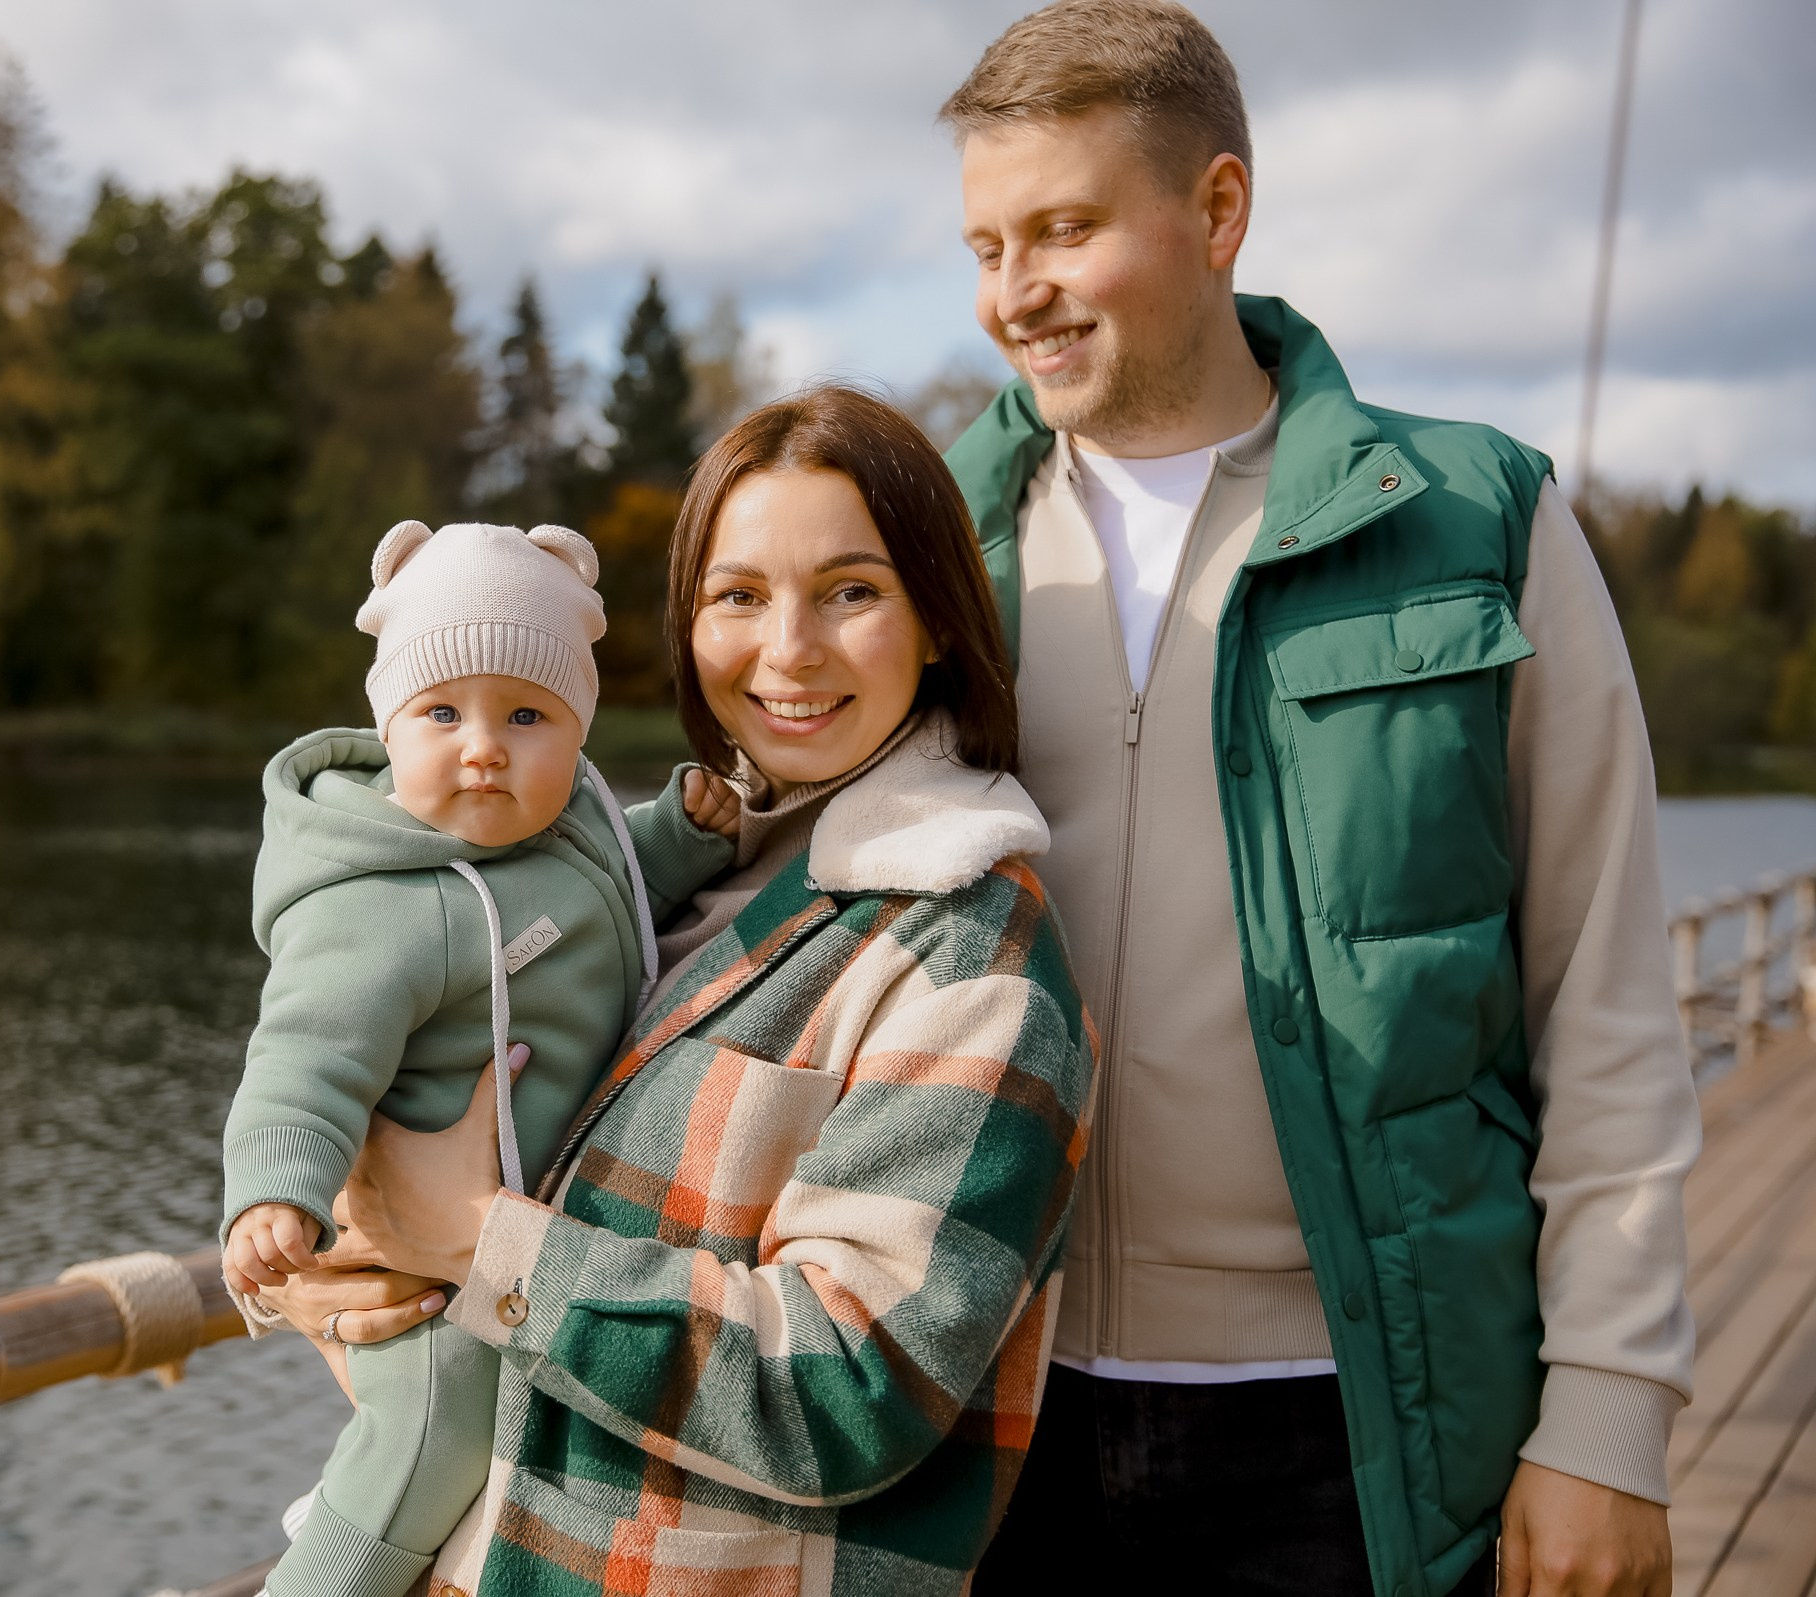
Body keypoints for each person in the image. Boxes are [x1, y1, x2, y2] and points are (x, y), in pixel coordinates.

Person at [941, 5, 1699, 1595]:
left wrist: (1611, 1416)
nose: (1017, 293)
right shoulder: (927, 547)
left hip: (1366, 1433)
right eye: (989, 244)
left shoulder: (1475, 517)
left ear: (1217, 210)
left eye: (1065, 229)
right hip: (985, 1425)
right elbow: (728, 903)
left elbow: (1605, 995)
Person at [257, 386, 1097, 1596]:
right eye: (738, 594)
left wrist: (468, 1236)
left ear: (940, 625)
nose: (789, 648)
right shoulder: (642, 873)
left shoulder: (973, 954)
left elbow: (852, 1388)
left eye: (852, 591)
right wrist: (352, 1258)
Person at [219, 519, 740, 1597]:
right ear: (390, 720)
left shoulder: (568, 827)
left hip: (517, 1248)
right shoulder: (380, 907)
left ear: (578, 728)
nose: (484, 746)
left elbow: (616, 887)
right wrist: (274, 1194)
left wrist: (679, 837)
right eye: (442, 712)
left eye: (528, 714)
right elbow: (302, 1063)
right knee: (434, 1435)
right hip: (425, 1277)